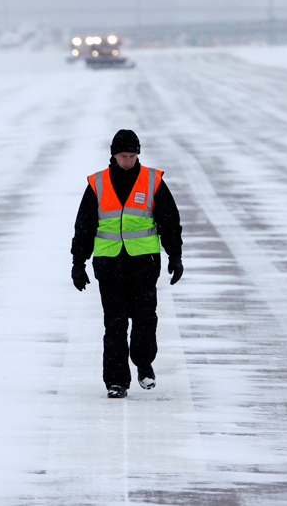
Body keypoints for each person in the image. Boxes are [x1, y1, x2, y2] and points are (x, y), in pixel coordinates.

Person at [71, 129, 183, 399]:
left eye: (133, 156)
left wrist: (175, 256)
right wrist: (78, 262)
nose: (128, 161)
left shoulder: (152, 181)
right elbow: (84, 227)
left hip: (144, 264)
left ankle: (144, 365)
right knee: (115, 324)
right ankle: (117, 381)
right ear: (113, 154)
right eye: (123, 156)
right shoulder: (97, 184)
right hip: (109, 265)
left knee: (145, 319)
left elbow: (169, 222)